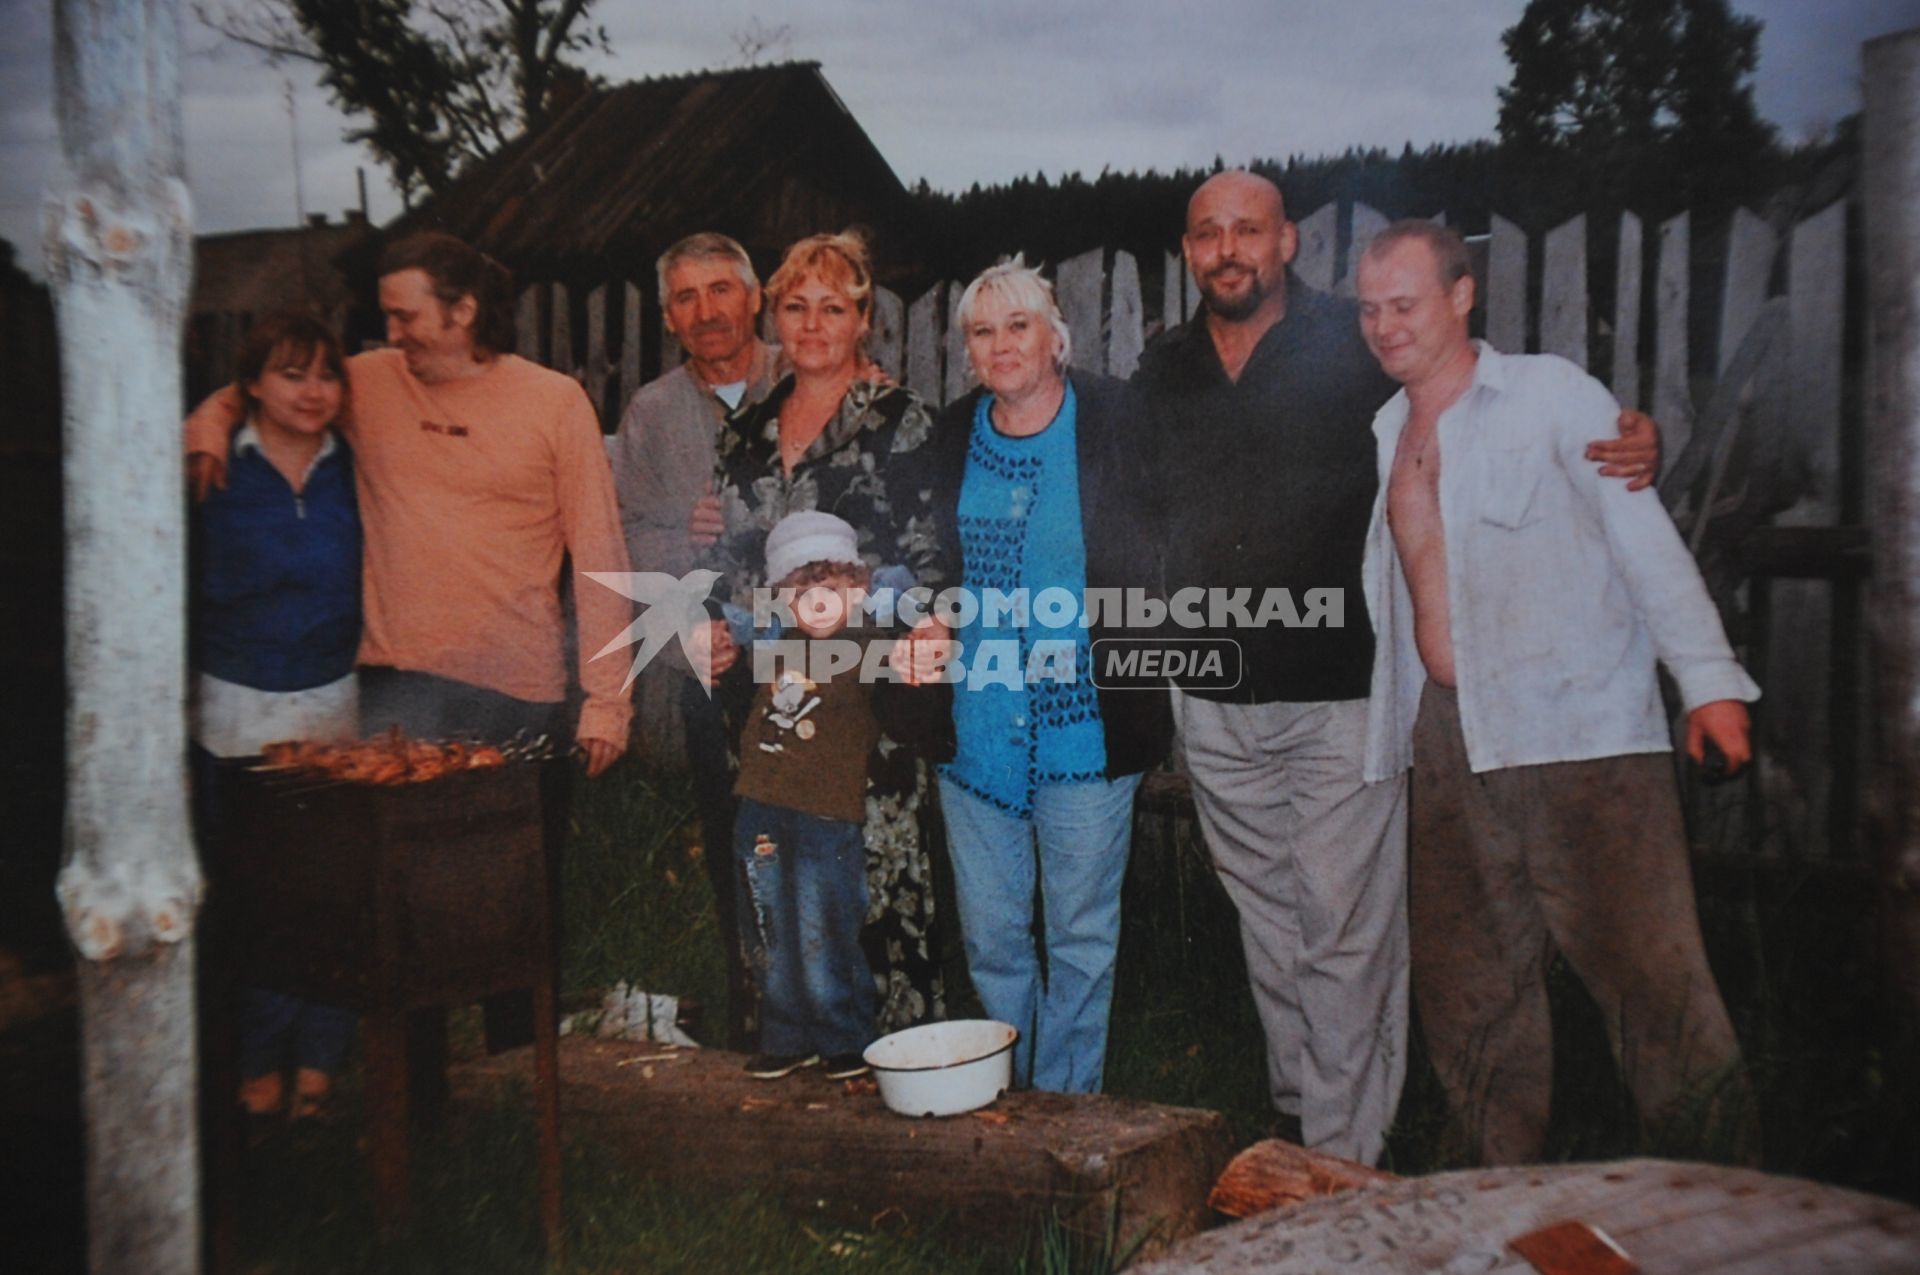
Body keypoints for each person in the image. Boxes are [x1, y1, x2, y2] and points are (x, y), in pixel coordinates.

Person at [1130, 170, 1661, 1165]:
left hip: (1341, 688)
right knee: (1267, 917)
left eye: (1250, 228)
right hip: (1212, 694)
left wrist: (1625, 431)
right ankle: (1300, 1106)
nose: (1229, 249)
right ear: (1189, 250)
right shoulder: (1165, 369)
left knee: (1342, 927)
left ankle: (1339, 1155)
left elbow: (1475, 395)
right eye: (1208, 234)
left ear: (1287, 240)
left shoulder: (1354, 339)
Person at [1355, 220, 1760, 1165]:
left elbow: (1643, 541)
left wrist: (1708, 685)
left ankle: (1731, 1203)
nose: (1384, 327)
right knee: (1470, 997)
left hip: (1581, 741)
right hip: (1449, 745)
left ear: (1463, 296)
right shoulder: (1386, 427)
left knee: (1655, 990)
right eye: (1370, 310)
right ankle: (1497, 1203)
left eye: (1404, 304)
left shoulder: (1551, 395)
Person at [186, 231, 633, 1059]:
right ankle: (420, 1084)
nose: (390, 332)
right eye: (386, 316)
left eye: (405, 315)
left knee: (516, 901)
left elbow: (601, 555)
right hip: (396, 687)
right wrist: (209, 427)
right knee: (401, 908)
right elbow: (254, 391)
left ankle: (520, 1071)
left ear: (462, 312)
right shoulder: (364, 382)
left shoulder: (554, 400)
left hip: (521, 689)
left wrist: (608, 698)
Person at [908, 257, 1170, 1092]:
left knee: (1082, 936)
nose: (1000, 345)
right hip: (977, 727)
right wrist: (927, 608)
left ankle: (1070, 1109)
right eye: (982, 332)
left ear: (1054, 337)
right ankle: (1003, 1099)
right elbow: (920, 553)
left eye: (1017, 325)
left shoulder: (1116, 420)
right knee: (991, 936)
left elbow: (1168, 533)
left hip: (1085, 725)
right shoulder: (952, 435)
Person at [700, 230, 948, 1035]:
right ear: (774, 315)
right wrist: (717, 632)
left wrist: (916, 633)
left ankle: (892, 1066)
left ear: (862, 319)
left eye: (832, 308)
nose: (812, 325)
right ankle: (783, 1064)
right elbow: (726, 560)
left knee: (867, 885)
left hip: (863, 707)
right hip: (766, 701)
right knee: (772, 875)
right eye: (796, 307)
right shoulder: (745, 431)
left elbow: (933, 562)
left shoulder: (900, 421)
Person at [188, 312, 360, 1121]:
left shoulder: (352, 466)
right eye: (291, 374)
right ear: (250, 383)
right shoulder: (212, 467)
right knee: (253, 895)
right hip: (236, 714)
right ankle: (256, 1059)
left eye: (327, 374)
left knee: (329, 888)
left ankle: (320, 1057)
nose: (313, 391)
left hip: (332, 705)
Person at [612, 232, 780, 1051]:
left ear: (754, 296)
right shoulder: (652, 412)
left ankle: (834, 1003)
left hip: (812, 656)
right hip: (710, 655)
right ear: (670, 315)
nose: (707, 310)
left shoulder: (806, 375)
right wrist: (688, 632)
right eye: (687, 296)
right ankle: (751, 1001)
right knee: (730, 840)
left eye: (721, 289)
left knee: (823, 832)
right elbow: (634, 534)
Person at [728, 511, 946, 1080]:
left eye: (835, 585)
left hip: (828, 814)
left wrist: (914, 655)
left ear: (860, 589)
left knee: (824, 925)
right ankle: (783, 1034)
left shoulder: (872, 646)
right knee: (767, 922)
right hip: (759, 806)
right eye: (801, 589)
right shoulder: (775, 645)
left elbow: (908, 668)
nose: (819, 601)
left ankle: (843, 1037)